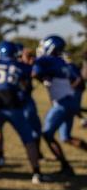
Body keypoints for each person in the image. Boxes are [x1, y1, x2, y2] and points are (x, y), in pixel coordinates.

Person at [0, 41, 49, 183]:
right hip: (13, 104)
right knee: (28, 139)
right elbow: (28, 81)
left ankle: (0, 157)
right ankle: (36, 172)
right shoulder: (20, 66)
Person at [32, 35, 84, 176]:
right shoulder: (61, 62)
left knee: (47, 135)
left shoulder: (46, 60)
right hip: (70, 101)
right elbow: (76, 79)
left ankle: (66, 167)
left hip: (62, 104)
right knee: (65, 137)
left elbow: (34, 73)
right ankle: (66, 166)